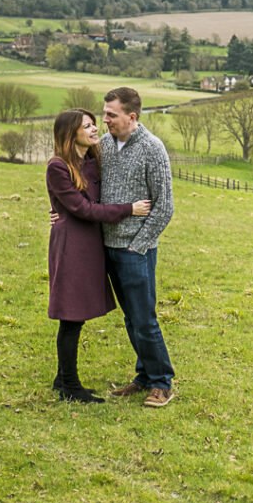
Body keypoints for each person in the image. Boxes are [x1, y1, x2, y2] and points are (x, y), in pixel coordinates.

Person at [47, 108, 150, 403]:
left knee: (75, 314)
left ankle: (61, 377)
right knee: (71, 316)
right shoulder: (58, 167)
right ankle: (68, 385)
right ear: (71, 134)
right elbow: (84, 209)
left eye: (94, 125)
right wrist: (130, 208)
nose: (95, 130)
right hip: (71, 246)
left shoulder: (90, 159)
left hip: (90, 243)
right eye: (88, 126)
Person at [99, 87, 176, 407]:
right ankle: (144, 377)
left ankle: (162, 382)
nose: (105, 120)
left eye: (111, 115)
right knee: (131, 318)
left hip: (135, 251)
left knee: (144, 319)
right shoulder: (102, 145)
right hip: (107, 247)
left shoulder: (152, 149)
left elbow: (165, 206)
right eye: (104, 113)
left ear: (131, 117)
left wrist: (138, 246)